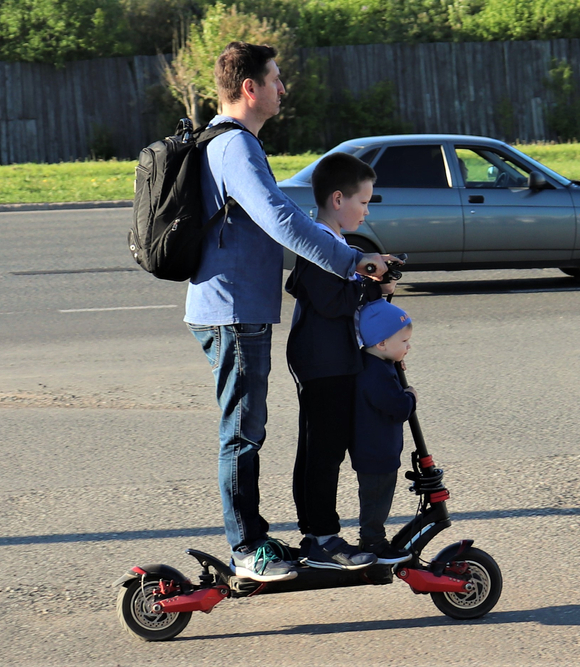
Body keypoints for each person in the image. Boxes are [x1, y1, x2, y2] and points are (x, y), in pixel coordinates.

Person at [184, 41, 393, 583]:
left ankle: (254, 539)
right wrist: (353, 260)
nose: (283, 87)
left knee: (248, 429)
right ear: (249, 88)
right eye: (276, 78)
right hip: (230, 311)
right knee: (242, 433)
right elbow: (279, 219)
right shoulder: (234, 148)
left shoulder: (233, 144)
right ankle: (247, 549)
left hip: (238, 308)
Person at [285, 152, 390, 570]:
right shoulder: (320, 243)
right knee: (323, 450)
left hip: (331, 360)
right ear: (337, 199)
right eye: (363, 201)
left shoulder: (337, 244)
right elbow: (330, 301)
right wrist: (372, 289)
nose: (367, 209)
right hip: (322, 362)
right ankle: (322, 538)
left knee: (319, 447)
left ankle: (316, 531)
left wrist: (374, 280)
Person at [351, 299, 417, 564]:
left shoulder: (376, 364)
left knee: (377, 498)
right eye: (403, 342)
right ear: (381, 344)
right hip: (376, 452)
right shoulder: (374, 374)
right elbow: (397, 407)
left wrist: (395, 363)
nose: (408, 346)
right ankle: (373, 541)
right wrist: (410, 396)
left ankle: (373, 537)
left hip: (377, 448)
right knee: (377, 501)